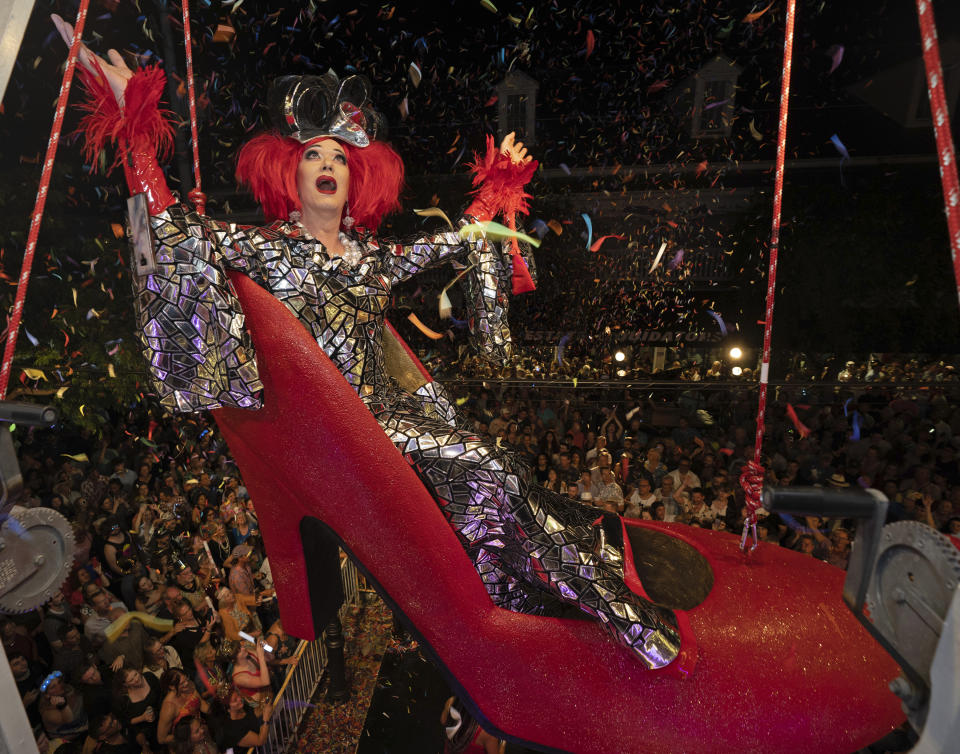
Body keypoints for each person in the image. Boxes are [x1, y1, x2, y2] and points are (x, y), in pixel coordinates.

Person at [54, 18, 680, 670]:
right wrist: (138, 139)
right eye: (312, 156)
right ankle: (623, 617)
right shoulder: (263, 248)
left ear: (359, 179)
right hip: (330, 435)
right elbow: (171, 233)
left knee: (499, 476)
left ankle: (514, 590)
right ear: (288, 174)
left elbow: (460, 242)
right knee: (486, 463)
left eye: (338, 158)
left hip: (391, 423)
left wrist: (495, 193)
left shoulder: (371, 260)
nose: (326, 164)